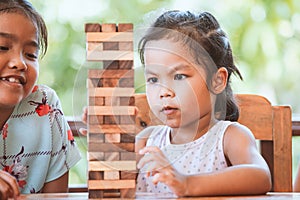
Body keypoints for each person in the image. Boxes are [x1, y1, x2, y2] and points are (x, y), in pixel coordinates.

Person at [135, 10, 272, 197]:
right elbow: (110, 183)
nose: (164, 91)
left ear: (217, 81)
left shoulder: (229, 138)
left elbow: (260, 176)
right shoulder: (146, 141)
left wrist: (188, 184)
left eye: (179, 76)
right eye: (153, 79)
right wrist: (101, 132)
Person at [0, 0, 81, 199]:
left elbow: (56, 197)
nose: (20, 63)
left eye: (30, 54)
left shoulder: (46, 107)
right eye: (2, 47)